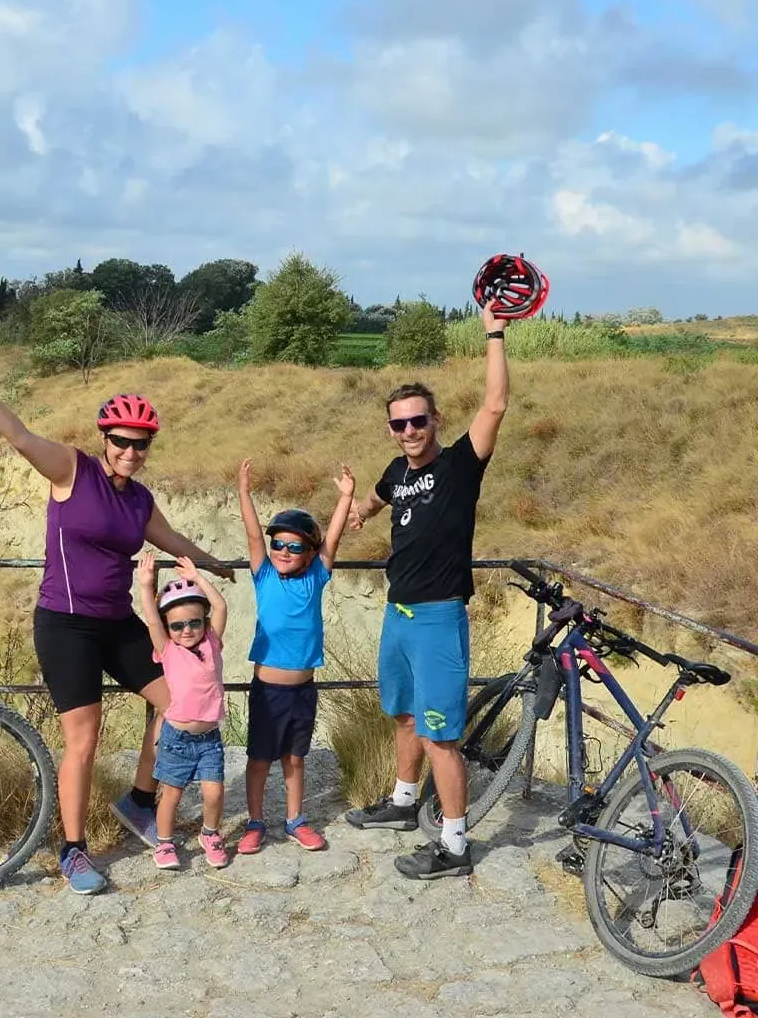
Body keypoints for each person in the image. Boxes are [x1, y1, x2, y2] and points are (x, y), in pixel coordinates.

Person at [0, 345, 231, 895]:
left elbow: (170, 539)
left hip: (118, 622)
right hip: (65, 625)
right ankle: (72, 851)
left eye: (141, 444)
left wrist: (214, 564)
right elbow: (20, 437)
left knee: (178, 703)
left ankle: (140, 802)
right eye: (122, 441)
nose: (131, 452)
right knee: (84, 741)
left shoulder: (139, 500)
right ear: (105, 439)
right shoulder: (73, 468)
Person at [342, 301, 511, 879]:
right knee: (405, 716)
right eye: (399, 423)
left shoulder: (462, 464)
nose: (410, 431)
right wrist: (360, 508)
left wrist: (493, 331)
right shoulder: (397, 471)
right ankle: (402, 801)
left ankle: (456, 846)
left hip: (440, 618)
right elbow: (381, 496)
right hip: (399, 614)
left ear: (436, 420)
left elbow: (495, 404)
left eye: (418, 421)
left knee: (442, 737)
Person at [233, 458, 354, 854]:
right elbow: (253, 537)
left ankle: (295, 819)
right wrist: (244, 492)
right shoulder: (265, 575)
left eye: (294, 546)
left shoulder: (317, 577)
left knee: (295, 759)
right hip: (267, 690)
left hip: (303, 690)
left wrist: (347, 498)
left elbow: (332, 541)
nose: (283, 551)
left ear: (309, 552)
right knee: (259, 761)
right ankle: (254, 822)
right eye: (278, 544)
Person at [133, 551, 230, 870]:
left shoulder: (211, 642)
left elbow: (221, 606)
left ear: (203, 622)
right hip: (176, 739)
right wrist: (146, 586)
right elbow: (150, 619)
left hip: (209, 739)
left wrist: (199, 576)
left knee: (214, 793)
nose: (187, 630)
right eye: (177, 625)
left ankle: (210, 834)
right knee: (171, 795)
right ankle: (163, 843)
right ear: (168, 628)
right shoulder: (169, 650)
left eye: (194, 622)